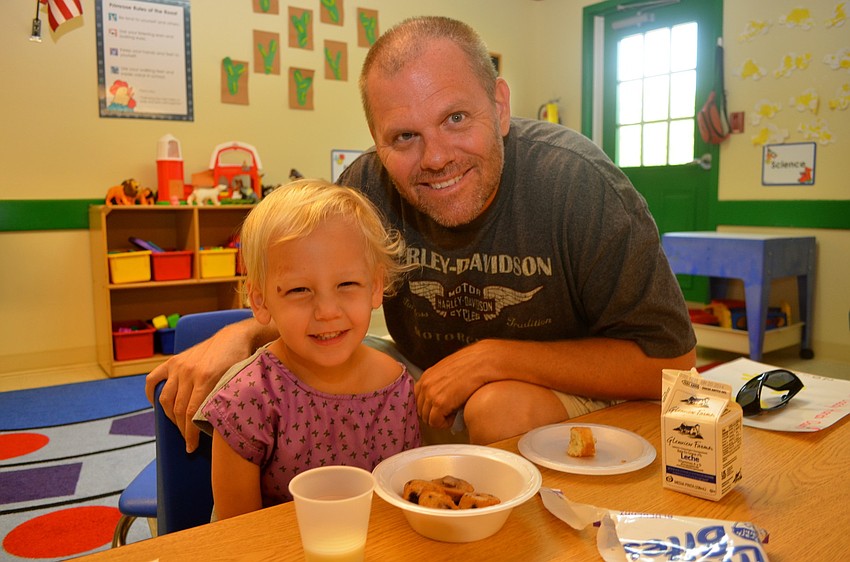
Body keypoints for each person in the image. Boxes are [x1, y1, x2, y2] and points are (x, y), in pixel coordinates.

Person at [147, 16, 696, 449]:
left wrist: (494, 358)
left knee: (496, 407)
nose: (435, 158)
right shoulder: (365, 187)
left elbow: (672, 363)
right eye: (404, 136)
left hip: (566, 393)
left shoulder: (578, 184)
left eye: (456, 118)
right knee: (289, 377)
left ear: (499, 106)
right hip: (432, 378)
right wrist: (242, 336)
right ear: (376, 140)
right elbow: (317, 297)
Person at [192, 180, 421, 519]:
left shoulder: (398, 388)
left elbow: (404, 505)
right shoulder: (246, 399)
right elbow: (237, 535)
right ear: (260, 301)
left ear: (375, 286)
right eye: (299, 290)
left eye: (347, 284)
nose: (327, 311)